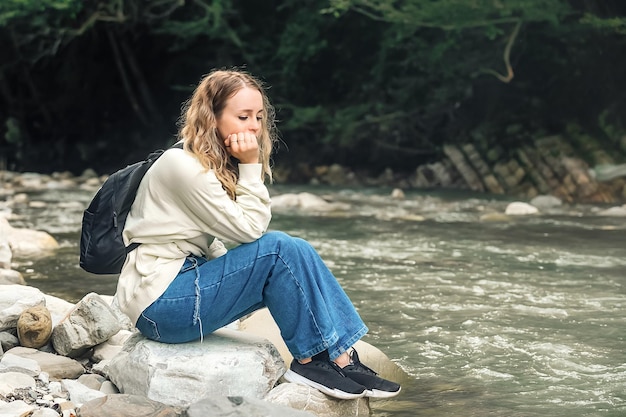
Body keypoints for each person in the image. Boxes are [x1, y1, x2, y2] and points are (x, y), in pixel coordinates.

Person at [115, 68, 401, 400]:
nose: (253, 125)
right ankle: (310, 360)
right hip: (161, 304)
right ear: (212, 118)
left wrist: (239, 277)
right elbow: (250, 231)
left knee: (297, 248)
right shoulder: (181, 165)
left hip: (183, 290)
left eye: (259, 117)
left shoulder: (210, 163)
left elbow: (220, 243)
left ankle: (341, 357)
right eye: (243, 116)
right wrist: (251, 166)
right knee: (279, 248)